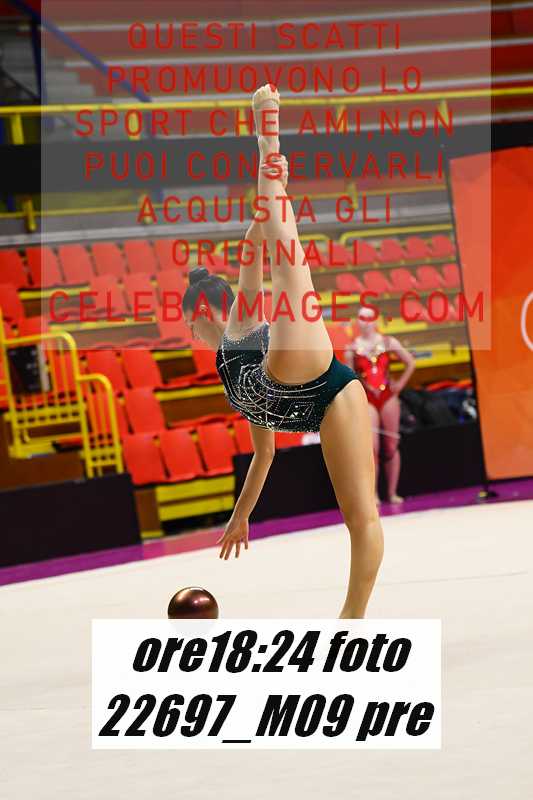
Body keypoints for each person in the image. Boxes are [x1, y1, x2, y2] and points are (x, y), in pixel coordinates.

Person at [182, 85, 383, 619]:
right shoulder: (229, 375)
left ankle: (267, 139)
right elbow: (264, 453)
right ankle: (272, 180)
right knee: (359, 515)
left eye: (188, 321)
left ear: (201, 313)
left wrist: (262, 216)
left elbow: (253, 257)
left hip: (304, 367)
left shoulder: (238, 323)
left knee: (286, 257)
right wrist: (240, 515)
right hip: (324, 399)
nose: (189, 331)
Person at [345, 306, 415, 505]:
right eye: (362, 318)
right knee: (372, 447)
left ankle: (392, 492)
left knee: (391, 445)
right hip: (367, 398)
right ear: (357, 321)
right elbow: (349, 378)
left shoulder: (388, 342)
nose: (366, 322)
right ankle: (373, 494)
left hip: (387, 396)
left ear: (376, 320)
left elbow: (410, 362)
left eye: (370, 318)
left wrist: (399, 384)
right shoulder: (352, 348)